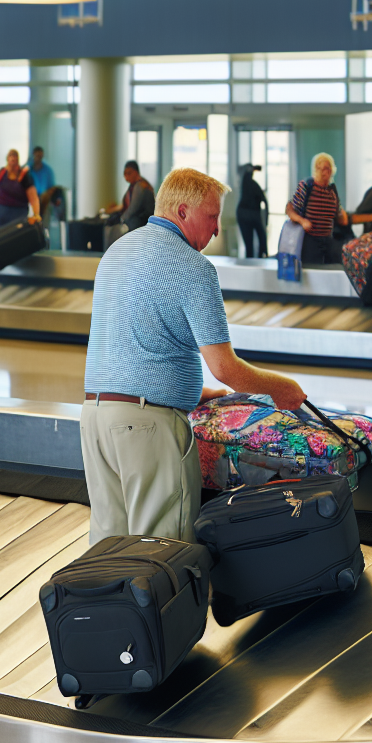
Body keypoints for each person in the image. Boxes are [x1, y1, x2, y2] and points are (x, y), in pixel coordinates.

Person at [82, 167, 307, 544]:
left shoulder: (117, 251)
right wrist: (281, 388)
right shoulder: (194, 268)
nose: (217, 229)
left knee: (109, 546)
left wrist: (193, 393)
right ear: (183, 212)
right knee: (161, 547)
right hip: (148, 428)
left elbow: (131, 343)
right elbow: (224, 367)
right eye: (213, 216)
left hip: (95, 419)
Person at [286, 152, 351, 265]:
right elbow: (289, 209)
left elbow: (340, 218)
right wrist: (302, 221)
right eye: (321, 168)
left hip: (327, 240)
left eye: (327, 169)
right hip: (310, 240)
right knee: (311, 272)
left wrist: (342, 215)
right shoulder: (306, 186)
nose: (324, 172)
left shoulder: (332, 191)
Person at [102, 160, 155, 232]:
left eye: (129, 173)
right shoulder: (134, 185)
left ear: (136, 172)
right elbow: (126, 205)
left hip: (141, 221)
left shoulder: (140, 186)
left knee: (112, 224)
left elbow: (133, 208)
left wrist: (122, 219)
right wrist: (111, 211)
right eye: (125, 174)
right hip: (138, 218)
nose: (126, 177)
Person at [235, 164, 268, 258]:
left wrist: (265, 222)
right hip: (247, 214)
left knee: (254, 243)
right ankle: (260, 257)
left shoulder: (250, 185)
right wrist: (265, 222)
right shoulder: (249, 184)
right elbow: (265, 202)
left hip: (245, 214)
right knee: (251, 244)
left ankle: (260, 257)